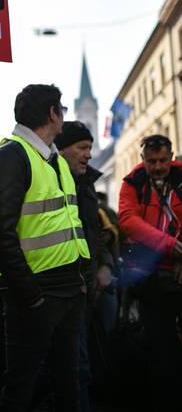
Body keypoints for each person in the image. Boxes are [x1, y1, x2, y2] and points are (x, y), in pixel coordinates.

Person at [0, 84, 91, 412]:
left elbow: (70, 224)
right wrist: (29, 293)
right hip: (33, 296)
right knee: (20, 389)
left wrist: (80, 277)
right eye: (63, 110)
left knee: (67, 383)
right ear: (52, 114)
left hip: (69, 289)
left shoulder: (54, 159)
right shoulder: (12, 155)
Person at [54, 122, 116, 411]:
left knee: (89, 363)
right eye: (82, 147)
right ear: (61, 149)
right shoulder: (52, 182)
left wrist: (104, 264)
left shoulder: (87, 183)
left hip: (90, 289)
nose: (89, 154)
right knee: (74, 370)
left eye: (91, 147)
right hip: (65, 292)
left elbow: (93, 235)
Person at [118, 134, 182, 412]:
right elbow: (128, 221)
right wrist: (171, 247)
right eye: (151, 161)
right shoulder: (133, 184)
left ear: (171, 157)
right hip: (151, 279)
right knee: (161, 349)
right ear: (142, 160)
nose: (157, 167)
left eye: (162, 161)